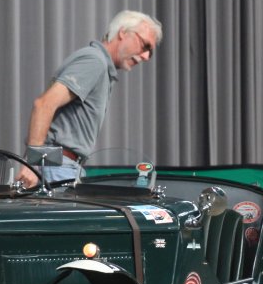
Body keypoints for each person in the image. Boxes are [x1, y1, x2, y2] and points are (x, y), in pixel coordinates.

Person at [18, 10, 162, 189]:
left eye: (150, 52)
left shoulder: (99, 63)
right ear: (123, 32)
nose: (146, 57)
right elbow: (43, 104)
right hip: (57, 167)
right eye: (145, 46)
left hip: (61, 167)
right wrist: (31, 164)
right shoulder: (94, 61)